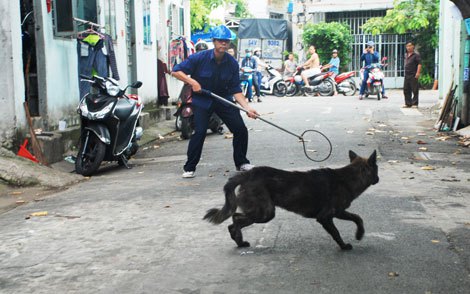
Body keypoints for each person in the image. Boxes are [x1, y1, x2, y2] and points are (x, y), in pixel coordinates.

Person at [171, 25, 258, 178]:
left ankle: (241, 162)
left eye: (226, 41)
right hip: (202, 100)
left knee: (240, 129)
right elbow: (176, 71)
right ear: (214, 41)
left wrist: (247, 108)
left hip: (223, 99)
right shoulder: (199, 58)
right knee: (200, 131)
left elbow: (236, 90)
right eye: (220, 41)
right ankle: (189, 167)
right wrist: (192, 82)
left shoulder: (231, 63)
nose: (223, 44)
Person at [403, 41, 422, 108]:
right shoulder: (406, 55)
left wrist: (418, 73)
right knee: (406, 89)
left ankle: (415, 103)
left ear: (413, 46)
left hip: (413, 74)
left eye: (410, 46)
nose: (408, 47)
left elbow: (419, 64)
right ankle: (408, 103)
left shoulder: (416, 55)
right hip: (407, 74)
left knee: (414, 89)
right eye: (407, 46)